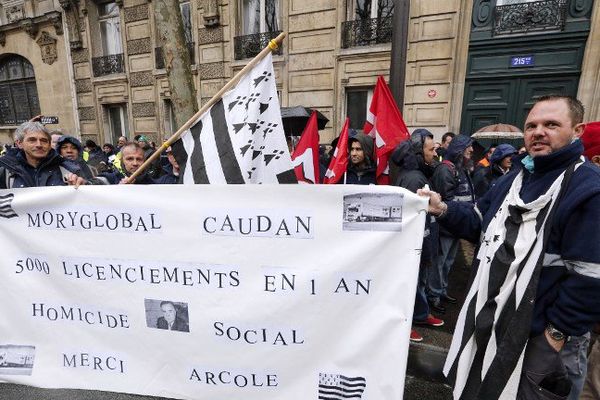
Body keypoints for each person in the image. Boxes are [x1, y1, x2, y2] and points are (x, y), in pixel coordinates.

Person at [419, 95, 600, 400]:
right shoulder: (514, 179)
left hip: (541, 340)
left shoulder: (588, 188)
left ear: (577, 130)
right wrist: (443, 209)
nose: (538, 132)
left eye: (551, 124)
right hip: (490, 325)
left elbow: (589, 278)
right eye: (532, 125)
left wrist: (553, 337)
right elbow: (479, 222)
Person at [391, 129, 444, 343]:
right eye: (430, 150)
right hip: (415, 244)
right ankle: (405, 325)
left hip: (423, 240)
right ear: (419, 154)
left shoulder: (420, 174)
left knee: (419, 282)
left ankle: (420, 315)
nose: (434, 154)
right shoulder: (414, 179)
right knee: (410, 285)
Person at [428, 134, 474, 314]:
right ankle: (434, 296)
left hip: (456, 226)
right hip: (446, 226)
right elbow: (446, 200)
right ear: (459, 149)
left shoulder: (461, 168)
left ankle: (442, 291)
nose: (471, 150)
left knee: (448, 262)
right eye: (468, 147)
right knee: (439, 263)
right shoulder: (445, 170)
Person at [0, 122, 86, 188]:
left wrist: (82, 186)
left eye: (44, 141)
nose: (39, 145)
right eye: (32, 140)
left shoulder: (68, 169)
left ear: (49, 144)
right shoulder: (5, 172)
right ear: (19, 143)